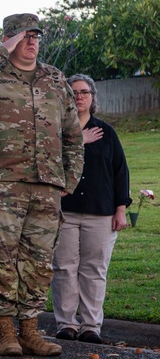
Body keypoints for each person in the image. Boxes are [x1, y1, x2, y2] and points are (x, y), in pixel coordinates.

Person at [0, 13, 83, 357]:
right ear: (9, 39)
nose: (32, 42)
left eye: (35, 36)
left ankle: (31, 331)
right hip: (1, 183)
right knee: (2, 257)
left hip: (46, 184)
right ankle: (6, 332)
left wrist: (69, 177)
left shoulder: (53, 78)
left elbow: (71, 132)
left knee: (38, 261)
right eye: (24, 36)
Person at [51, 74, 132, 345]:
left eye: (85, 92)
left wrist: (121, 209)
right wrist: (78, 140)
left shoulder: (106, 132)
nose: (79, 96)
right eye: (74, 92)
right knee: (64, 267)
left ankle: (90, 326)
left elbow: (120, 172)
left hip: (101, 211)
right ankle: (66, 324)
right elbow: (48, 164)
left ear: (93, 96)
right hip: (65, 210)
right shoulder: (57, 131)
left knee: (94, 269)